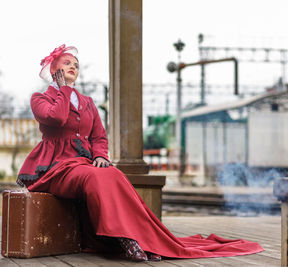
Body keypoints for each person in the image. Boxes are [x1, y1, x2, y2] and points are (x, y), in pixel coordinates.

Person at [17, 44, 263, 262]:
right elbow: (57, 118)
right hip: (56, 168)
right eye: (67, 63)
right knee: (97, 177)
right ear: (54, 69)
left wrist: (101, 155)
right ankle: (125, 238)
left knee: (112, 174)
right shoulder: (40, 98)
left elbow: (98, 137)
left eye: (76, 65)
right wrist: (63, 89)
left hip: (84, 163)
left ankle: (139, 238)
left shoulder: (88, 102)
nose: (73, 67)